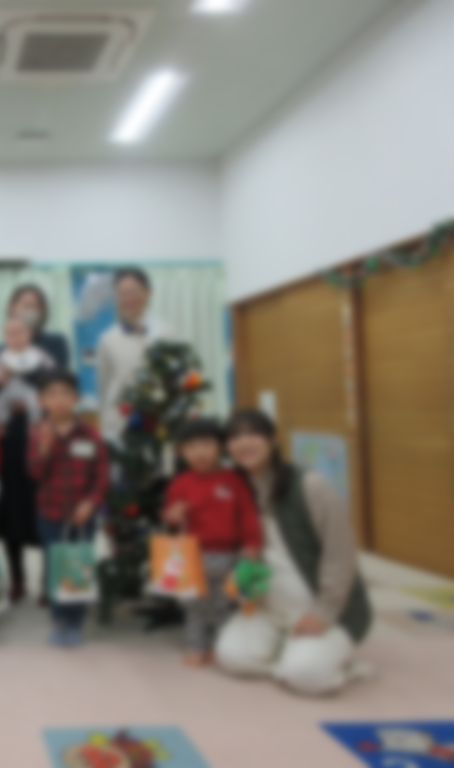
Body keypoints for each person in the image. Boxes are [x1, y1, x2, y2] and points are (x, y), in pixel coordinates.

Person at [215, 409, 373, 697]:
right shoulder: (232, 489)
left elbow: (341, 555)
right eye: (235, 437)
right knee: (231, 657)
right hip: (266, 607)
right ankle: (291, 657)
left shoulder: (310, 485)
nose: (244, 443)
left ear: (274, 439)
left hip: (323, 609)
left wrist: (323, 613)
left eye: (253, 434)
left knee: (306, 674)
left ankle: (315, 663)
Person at [0, 284, 70, 604]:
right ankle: (16, 578)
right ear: (10, 309)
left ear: (43, 312)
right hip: (9, 439)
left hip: (44, 432)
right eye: (22, 304)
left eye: (35, 304)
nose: (28, 310)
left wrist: (30, 392)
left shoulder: (54, 343)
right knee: (10, 507)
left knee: (46, 504)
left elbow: (60, 382)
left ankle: (48, 580)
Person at [162, 418, 262, 668]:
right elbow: (172, 521)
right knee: (194, 606)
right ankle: (195, 646)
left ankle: (221, 646)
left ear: (221, 447)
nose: (199, 452)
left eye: (206, 444)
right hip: (193, 556)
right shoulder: (181, 482)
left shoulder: (234, 479)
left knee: (225, 605)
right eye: (191, 447)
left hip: (230, 556)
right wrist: (173, 516)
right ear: (182, 452)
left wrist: (252, 543)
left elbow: (248, 514)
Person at [28, 371, 109, 648]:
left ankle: (75, 622)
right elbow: (35, 473)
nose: (59, 399)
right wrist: (45, 447)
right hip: (50, 514)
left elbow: (102, 475)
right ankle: (59, 618)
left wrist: (91, 502)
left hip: (83, 516)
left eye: (66, 393)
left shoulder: (90, 433)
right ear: (41, 400)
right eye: (51, 394)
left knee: (79, 566)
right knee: (55, 566)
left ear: (76, 398)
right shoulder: (38, 432)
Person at [96, 268, 174, 442]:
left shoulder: (166, 333)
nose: (128, 299)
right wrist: (106, 420)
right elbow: (104, 385)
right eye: (122, 294)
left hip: (160, 418)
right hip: (122, 420)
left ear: (148, 293)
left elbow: (175, 377)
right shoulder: (108, 339)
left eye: (133, 292)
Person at [0, 316, 54, 431]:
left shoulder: (37, 353)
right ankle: (1, 425)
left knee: (35, 402)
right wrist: (3, 375)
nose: (16, 336)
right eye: (11, 333)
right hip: (9, 388)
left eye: (19, 332)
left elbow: (52, 368)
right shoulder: (2, 355)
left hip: (30, 389)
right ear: (5, 336)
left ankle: (34, 426)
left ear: (30, 334)